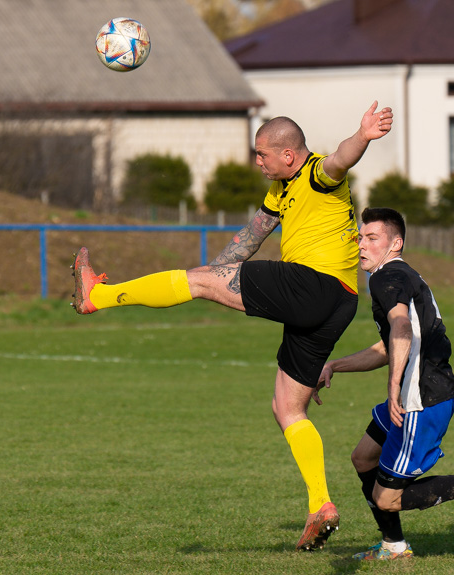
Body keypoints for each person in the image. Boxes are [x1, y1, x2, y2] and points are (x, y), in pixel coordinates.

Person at [70, 101, 393, 551]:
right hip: (338, 303)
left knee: (201, 281)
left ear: (288, 154)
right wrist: (213, 278)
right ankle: (321, 504)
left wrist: (362, 135)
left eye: (262, 153)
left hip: (312, 284)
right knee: (287, 408)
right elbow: (253, 236)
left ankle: (97, 296)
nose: (256, 161)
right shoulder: (281, 191)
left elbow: (341, 158)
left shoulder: (317, 173)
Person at [313, 207, 454, 561]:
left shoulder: (386, 277)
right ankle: (394, 546)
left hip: (422, 400)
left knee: (386, 498)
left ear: (395, 243)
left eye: (372, 238)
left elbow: (401, 328)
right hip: (417, 391)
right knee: (362, 458)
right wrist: (336, 366)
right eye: (361, 237)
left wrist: (393, 390)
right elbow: (392, 345)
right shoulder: (402, 275)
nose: (361, 245)